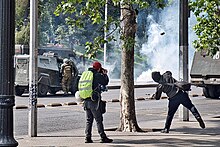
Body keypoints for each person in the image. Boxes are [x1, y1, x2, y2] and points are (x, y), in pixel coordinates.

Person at [79, 61, 113, 143]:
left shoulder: (86, 74)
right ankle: (103, 137)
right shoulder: (96, 75)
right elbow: (105, 82)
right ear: (98, 68)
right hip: (93, 101)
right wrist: (104, 74)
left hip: (85, 100)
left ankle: (87, 137)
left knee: (89, 120)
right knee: (99, 119)